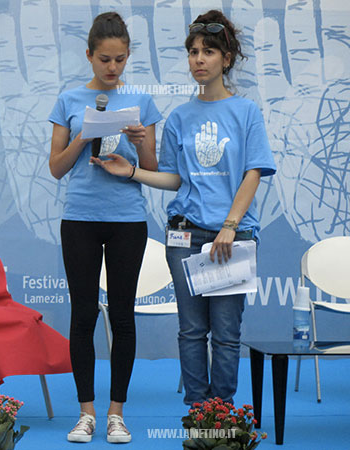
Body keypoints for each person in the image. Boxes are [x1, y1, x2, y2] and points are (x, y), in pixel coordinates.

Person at [91, 9, 276, 407]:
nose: (198, 60)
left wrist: (230, 224)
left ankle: (222, 417)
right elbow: (175, 178)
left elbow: (253, 172)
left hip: (232, 237)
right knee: (191, 331)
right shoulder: (179, 117)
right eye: (193, 52)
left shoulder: (246, 112)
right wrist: (132, 172)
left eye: (208, 51)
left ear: (226, 59)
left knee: (226, 333)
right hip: (186, 235)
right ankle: (198, 414)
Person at [48, 11, 162, 444]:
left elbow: (151, 169)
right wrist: (84, 134)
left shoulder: (142, 104)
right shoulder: (69, 100)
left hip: (127, 220)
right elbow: (57, 168)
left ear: (128, 56)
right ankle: (86, 413)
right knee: (81, 316)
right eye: (104, 60)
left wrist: (140, 143)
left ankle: (116, 413)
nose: (112, 68)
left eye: (120, 60)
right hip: (79, 217)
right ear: (90, 57)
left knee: (123, 315)